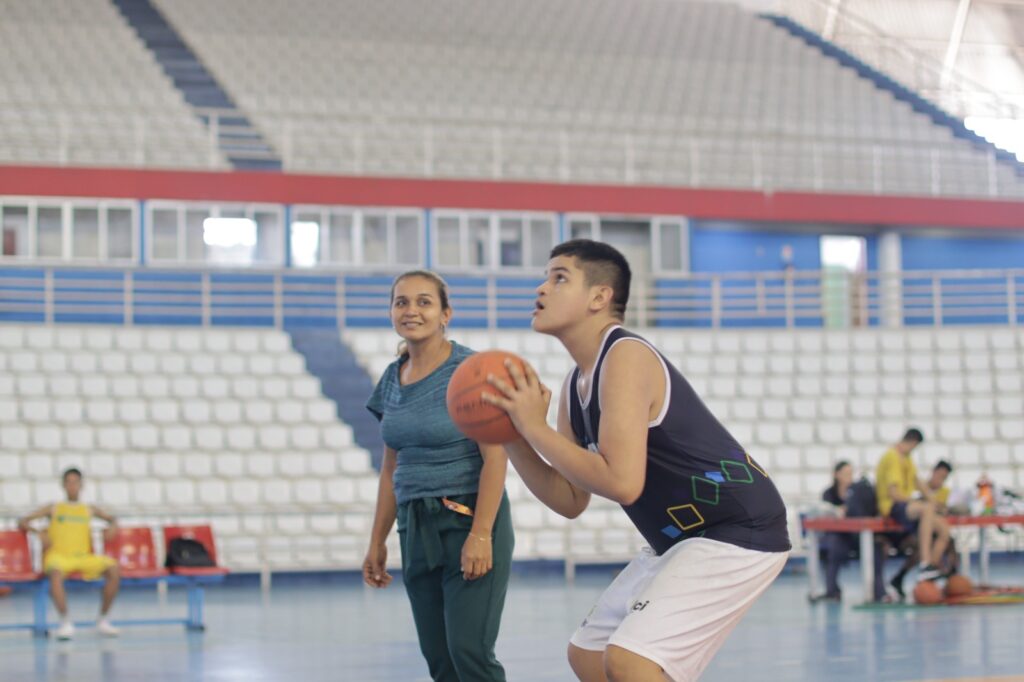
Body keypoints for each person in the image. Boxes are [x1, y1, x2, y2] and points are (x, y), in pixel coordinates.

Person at [483, 239, 790, 682]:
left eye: (559, 277)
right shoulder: (576, 384)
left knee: (629, 661)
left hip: (738, 529)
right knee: (587, 655)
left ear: (599, 297)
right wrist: (511, 433)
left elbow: (623, 483)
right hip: (682, 538)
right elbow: (570, 498)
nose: (542, 288)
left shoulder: (625, 355)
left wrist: (535, 428)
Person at [362, 270, 514, 682]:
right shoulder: (392, 379)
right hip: (416, 525)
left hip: (468, 516)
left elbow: (495, 458)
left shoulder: (472, 371)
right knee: (439, 659)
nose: (411, 310)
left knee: (470, 652)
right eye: (401, 302)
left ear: (446, 313)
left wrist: (481, 534)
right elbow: (392, 466)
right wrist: (377, 540)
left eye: (424, 302)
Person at [17, 467, 120, 640]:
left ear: (81, 485)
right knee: (55, 573)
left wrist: (112, 528)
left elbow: (112, 519)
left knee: (113, 568)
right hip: (59, 556)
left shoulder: (89, 509)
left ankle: (103, 620)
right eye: (69, 482)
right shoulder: (54, 508)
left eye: (75, 482)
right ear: (63, 485)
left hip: (83, 557)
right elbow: (23, 521)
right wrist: (38, 533)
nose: (72, 486)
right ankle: (65, 622)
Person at [874, 428, 951, 582]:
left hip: (906, 506)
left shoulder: (906, 458)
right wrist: (920, 502)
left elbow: (918, 481)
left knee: (944, 530)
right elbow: (894, 494)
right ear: (913, 443)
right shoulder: (892, 457)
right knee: (926, 509)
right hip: (891, 507)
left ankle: (931, 569)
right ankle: (925, 564)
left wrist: (934, 501)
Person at [810, 461, 889, 603]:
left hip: (859, 536)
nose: (849, 476)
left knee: (875, 549)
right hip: (841, 537)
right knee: (834, 547)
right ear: (836, 474)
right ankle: (831, 590)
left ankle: (879, 592)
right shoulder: (829, 494)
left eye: (851, 473)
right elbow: (827, 515)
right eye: (846, 473)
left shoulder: (860, 491)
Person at [889, 460, 959, 598]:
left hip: (930, 533)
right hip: (910, 531)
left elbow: (944, 510)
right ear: (933, 472)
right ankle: (921, 573)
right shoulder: (918, 489)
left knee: (948, 540)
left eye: (944, 478)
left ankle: (941, 574)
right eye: (939, 476)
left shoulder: (946, 493)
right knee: (922, 546)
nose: (940, 480)